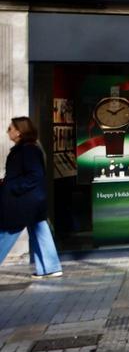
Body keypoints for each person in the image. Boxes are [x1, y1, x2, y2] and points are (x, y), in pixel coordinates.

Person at [0, 118, 63, 278]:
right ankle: (50, 267)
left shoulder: (27, 150)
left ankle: (51, 267)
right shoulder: (28, 148)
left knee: (6, 232)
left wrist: (13, 186)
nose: (8, 131)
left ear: (19, 131)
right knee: (39, 230)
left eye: (10, 128)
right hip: (31, 200)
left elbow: (35, 175)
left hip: (23, 200)